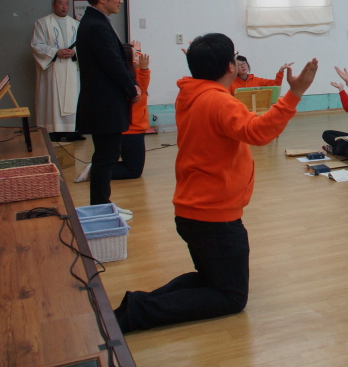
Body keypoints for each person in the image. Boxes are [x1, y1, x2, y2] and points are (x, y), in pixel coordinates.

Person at [112, 33, 317, 333]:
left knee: (210, 280)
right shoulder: (219, 101)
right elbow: (259, 132)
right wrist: (295, 93)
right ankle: (137, 312)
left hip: (194, 210)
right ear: (230, 66)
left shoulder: (191, 92)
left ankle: (136, 305)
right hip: (214, 217)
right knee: (231, 297)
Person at [75, 0, 140, 206]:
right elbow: (112, 63)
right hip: (104, 104)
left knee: (106, 157)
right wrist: (132, 88)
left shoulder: (96, 21)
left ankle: (102, 205)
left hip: (103, 103)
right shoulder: (95, 25)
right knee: (106, 158)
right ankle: (101, 208)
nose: (120, 1)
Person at [31, 0, 81, 140]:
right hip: (52, 69)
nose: (64, 7)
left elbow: (85, 45)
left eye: (66, 4)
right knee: (52, 100)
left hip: (71, 67)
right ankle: (53, 131)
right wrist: (55, 52)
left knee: (73, 98)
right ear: (53, 5)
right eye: (60, 3)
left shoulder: (76, 24)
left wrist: (74, 52)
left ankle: (72, 131)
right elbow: (36, 45)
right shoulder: (42, 23)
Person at [114, 41, 151, 182]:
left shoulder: (129, 73)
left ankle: (100, 168)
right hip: (131, 131)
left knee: (133, 167)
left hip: (134, 130)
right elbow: (142, 86)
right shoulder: (131, 79)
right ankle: (96, 170)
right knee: (134, 170)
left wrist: (137, 50)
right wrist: (144, 69)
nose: (140, 57)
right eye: (136, 55)